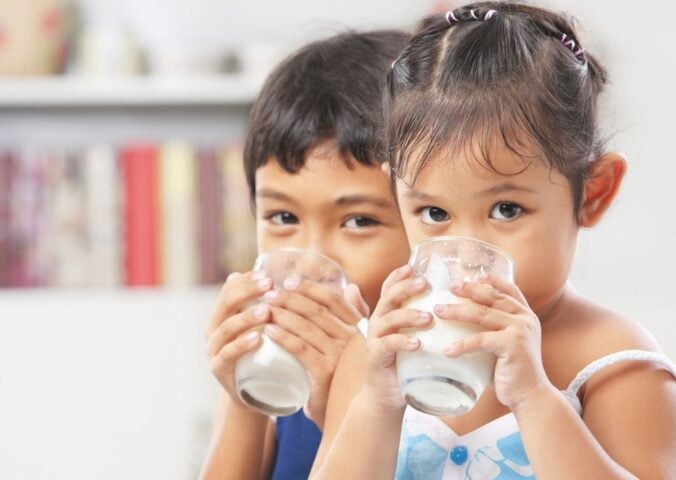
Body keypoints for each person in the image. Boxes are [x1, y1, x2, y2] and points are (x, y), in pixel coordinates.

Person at [310, 3, 676, 479]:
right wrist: (377, 403)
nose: (465, 251)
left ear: (593, 192)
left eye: (506, 210)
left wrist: (535, 398)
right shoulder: (372, 352)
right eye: (434, 213)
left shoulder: (612, 361)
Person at [199, 30, 410, 480]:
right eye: (282, 217)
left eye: (358, 221)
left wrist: (350, 394)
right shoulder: (275, 370)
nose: (309, 263)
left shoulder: (439, 378)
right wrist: (242, 402)